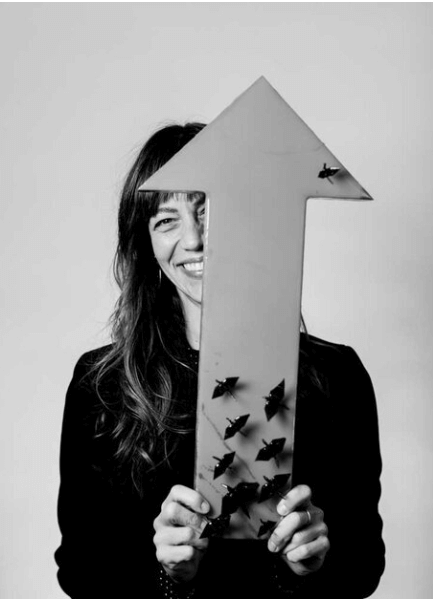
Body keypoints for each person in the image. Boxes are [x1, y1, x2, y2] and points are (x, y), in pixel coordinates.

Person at [55, 123, 384, 597]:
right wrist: (170, 576)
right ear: (145, 244)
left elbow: (365, 569)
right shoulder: (102, 385)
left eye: (208, 212)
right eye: (166, 220)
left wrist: (313, 565)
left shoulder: (336, 377)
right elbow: (81, 574)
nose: (194, 240)